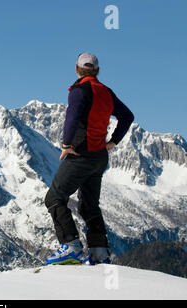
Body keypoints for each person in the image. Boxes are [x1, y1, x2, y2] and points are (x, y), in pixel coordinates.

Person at [44, 53, 134, 265]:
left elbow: (72, 117)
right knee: (90, 205)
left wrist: (66, 144)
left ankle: (71, 247)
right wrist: (113, 142)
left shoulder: (79, 91)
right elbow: (127, 116)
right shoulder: (106, 92)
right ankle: (99, 253)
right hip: (99, 157)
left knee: (54, 198)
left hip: (80, 154)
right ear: (97, 70)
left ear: (76, 69)